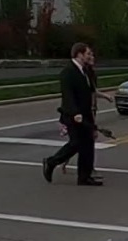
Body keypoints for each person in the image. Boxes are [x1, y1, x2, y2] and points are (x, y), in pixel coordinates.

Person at [43, 39, 103, 185]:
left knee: (88, 145)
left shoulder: (85, 71)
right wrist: (75, 113)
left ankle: (84, 177)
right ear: (79, 54)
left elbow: (90, 91)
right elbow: (68, 95)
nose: (89, 56)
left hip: (86, 114)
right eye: (87, 54)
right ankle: (51, 162)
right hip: (73, 115)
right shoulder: (68, 72)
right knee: (76, 143)